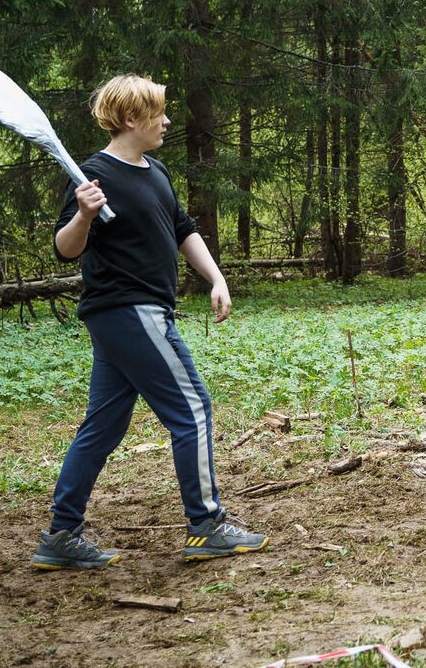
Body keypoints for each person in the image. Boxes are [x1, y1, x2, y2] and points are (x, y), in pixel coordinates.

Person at [30, 74, 267, 569]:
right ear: (131, 118)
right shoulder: (92, 176)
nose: (166, 120)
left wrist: (215, 277)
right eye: (158, 112)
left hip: (136, 313)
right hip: (128, 310)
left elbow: (182, 229)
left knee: (104, 425)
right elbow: (63, 249)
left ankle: (61, 535)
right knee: (194, 409)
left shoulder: (154, 170)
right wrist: (84, 215)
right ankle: (206, 524)